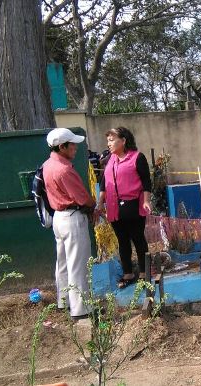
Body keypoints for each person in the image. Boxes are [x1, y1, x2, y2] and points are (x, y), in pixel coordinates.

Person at [43, 128, 96, 320]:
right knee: (78, 265)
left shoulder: (48, 165)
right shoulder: (65, 169)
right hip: (72, 217)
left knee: (63, 263)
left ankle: (64, 302)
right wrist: (93, 205)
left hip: (58, 217)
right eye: (71, 144)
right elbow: (83, 198)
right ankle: (81, 310)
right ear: (61, 146)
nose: (75, 147)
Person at [96, 127, 152, 289]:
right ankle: (128, 273)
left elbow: (146, 181)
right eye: (108, 140)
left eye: (112, 140)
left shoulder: (137, 158)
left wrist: (146, 200)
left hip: (133, 204)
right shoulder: (109, 160)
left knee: (138, 238)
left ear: (124, 140)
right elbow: (103, 184)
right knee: (122, 241)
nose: (109, 143)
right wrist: (100, 203)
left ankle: (144, 272)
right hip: (114, 207)